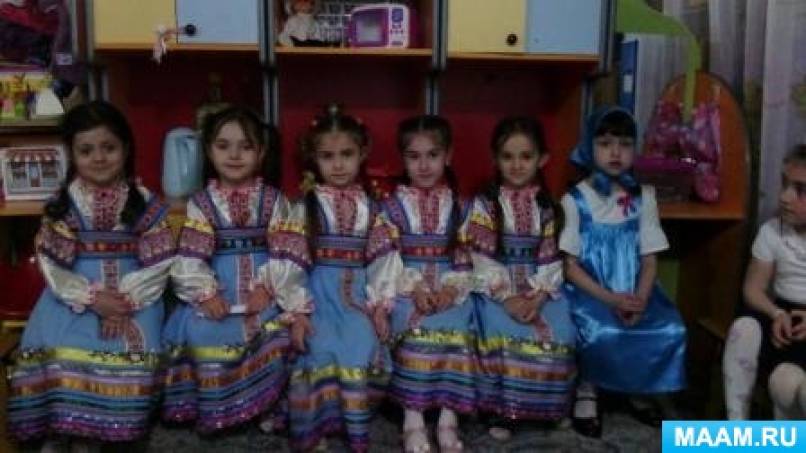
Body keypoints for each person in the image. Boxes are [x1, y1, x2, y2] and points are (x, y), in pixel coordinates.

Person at [6, 101, 175, 452]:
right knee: (59, 346)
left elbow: (159, 263)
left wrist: (123, 303)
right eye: (86, 150)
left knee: (139, 349)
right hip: (72, 296)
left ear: (125, 148)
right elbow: (53, 265)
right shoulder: (63, 204)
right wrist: (92, 298)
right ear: (72, 154)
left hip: (135, 296)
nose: (98, 158)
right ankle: (67, 434)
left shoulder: (145, 202)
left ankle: (116, 435)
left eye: (108, 148)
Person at [161, 106, 312, 433]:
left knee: (280, 332)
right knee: (201, 330)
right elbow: (190, 257)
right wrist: (206, 294)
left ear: (261, 152)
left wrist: (268, 286)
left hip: (266, 288)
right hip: (221, 289)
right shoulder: (201, 203)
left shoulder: (275, 201)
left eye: (245, 146)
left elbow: (289, 252)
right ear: (209, 151)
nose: (234, 155)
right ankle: (220, 409)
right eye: (223, 146)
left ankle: (266, 405)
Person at [560, 106, 686, 437]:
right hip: (592, 292)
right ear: (589, 146)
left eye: (625, 144)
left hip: (634, 289)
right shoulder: (576, 200)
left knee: (670, 328)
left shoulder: (644, 198)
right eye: (605, 144)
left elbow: (650, 259)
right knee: (600, 330)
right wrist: (610, 299)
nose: (616, 153)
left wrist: (640, 298)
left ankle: (637, 386)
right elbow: (570, 267)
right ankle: (588, 389)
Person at [287, 105, 394, 452]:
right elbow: (291, 263)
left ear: (361, 154)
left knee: (362, 342)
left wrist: (380, 306)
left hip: (356, 297)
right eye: (327, 156)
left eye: (346, 154)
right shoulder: (305, 206)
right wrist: (298, 311)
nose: (338, 165)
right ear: (314, 159)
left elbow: (383, 261)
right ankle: (316, 425)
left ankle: (353, 424)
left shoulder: (373, 207)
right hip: (317, 295)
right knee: (317, 347)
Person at [467, 117, 576, 440]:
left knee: (561, 329)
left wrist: (540, 297)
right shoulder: (485, 205)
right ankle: (503, 412)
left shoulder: (547, 207)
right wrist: (508, 298)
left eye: (526, 157)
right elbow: (481, 257)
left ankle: (550, 409)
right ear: (495, 159)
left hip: (539, 284)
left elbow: (552, 257)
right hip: (496, 287)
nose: (516, 165)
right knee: (499, 330)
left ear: (542, 159)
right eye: (508, 157)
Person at [376, 115, 476, 453]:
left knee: (457, 325)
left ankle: (449, 416)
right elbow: (387, 256)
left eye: (432, 155)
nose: (423, 165)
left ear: (448, 155)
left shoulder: (461, 207)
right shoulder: (390, 207)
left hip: (451, 286)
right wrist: (415, 289)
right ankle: (413, 418)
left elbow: (466, 255)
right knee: (414, 328)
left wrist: (450, 290)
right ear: (402, 159)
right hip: (405, 286)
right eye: (413, 156)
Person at [723, 144, 806, 420]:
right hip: (784, 316)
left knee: (789, 385)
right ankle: (738, 429)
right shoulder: (772, 231)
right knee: (744, 328)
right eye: (785, 185)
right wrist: (776, 313)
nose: (785, 197)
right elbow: (753, 289)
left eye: (800, 189)